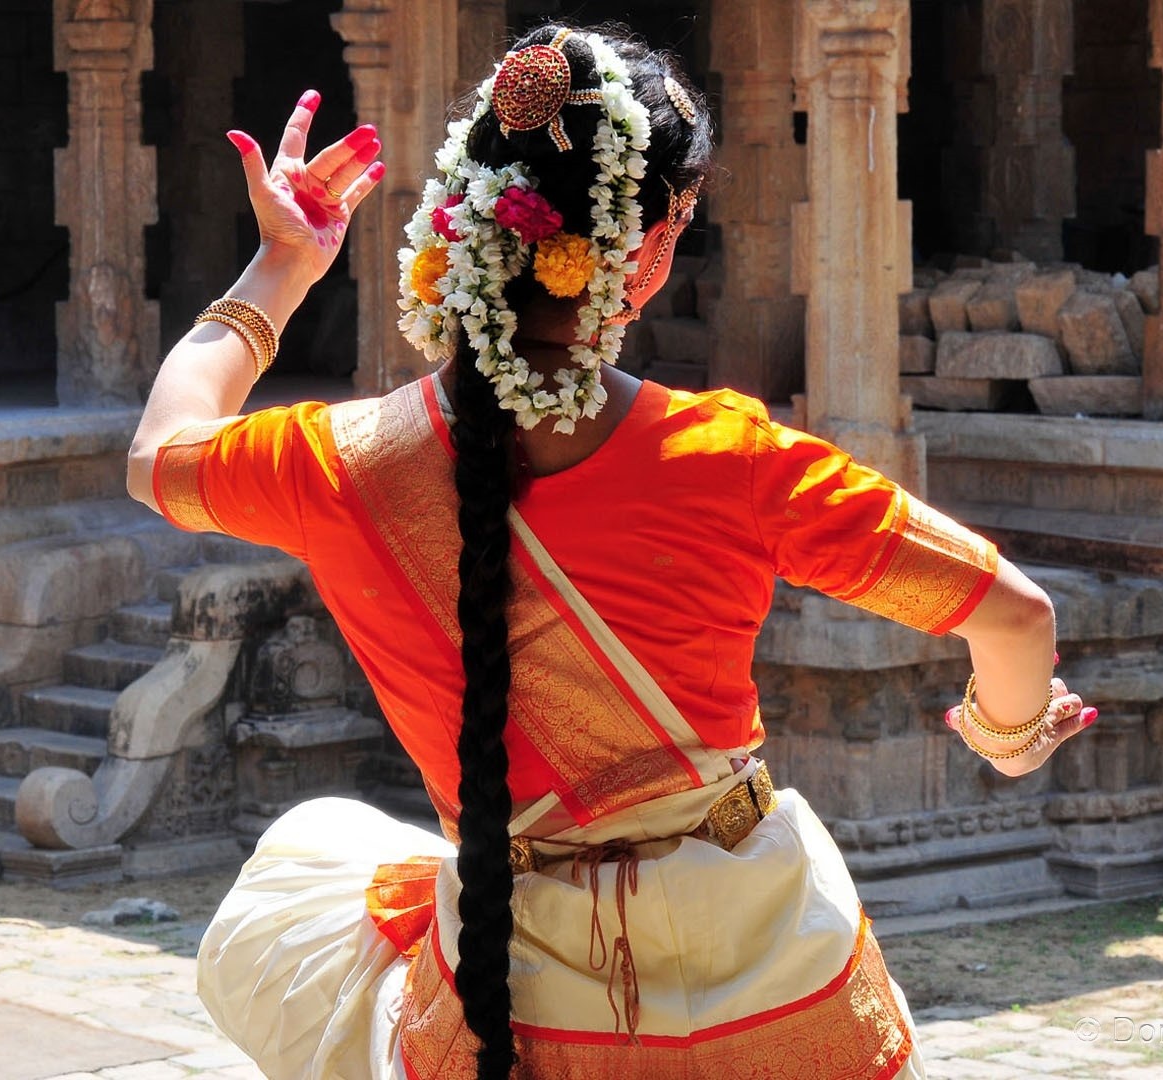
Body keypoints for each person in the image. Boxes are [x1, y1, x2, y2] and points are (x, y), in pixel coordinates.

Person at [125, 24, 1097, 1080]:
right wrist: (1008, 735)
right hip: (775, 1000)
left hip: (514, 1006)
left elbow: (156, 456)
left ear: (461, 222)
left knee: (314, 859)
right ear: (645, 253)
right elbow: (1017, 615)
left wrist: (282, 264)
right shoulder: (732, 461)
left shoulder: (342, 467)